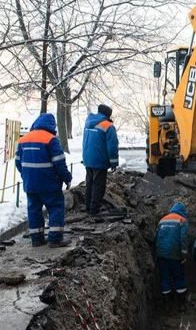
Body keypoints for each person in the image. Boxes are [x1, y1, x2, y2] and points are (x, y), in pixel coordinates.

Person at [16, 113, 73, 248]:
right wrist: (67, 178)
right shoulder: (51, 140)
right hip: (49, 183)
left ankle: (36, 238)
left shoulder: (23, 140)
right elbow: (59, 163)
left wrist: (27, 176)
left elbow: (18, 163)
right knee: (56, 208)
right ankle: (55, 239)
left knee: (34, 209)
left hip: (30, 183)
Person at [82, 104, 119, 215]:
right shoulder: (108, 126)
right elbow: (112, 146)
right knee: (98, 185)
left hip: (88, 159)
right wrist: (114, 162)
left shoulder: (88, 122)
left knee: (89, 183)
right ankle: (94, 210)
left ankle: (88, 207)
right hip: (100, 160)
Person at [154, 202, 189, 312]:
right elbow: (183, 238)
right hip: (174, 254)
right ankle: (182, 305)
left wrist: (156, 252)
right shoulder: (182, 220)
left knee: (165, 278)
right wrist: (183, 255)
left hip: (161, 254)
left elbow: (156, 237)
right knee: (179, 278)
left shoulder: (162, 220)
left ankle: (167, 305)